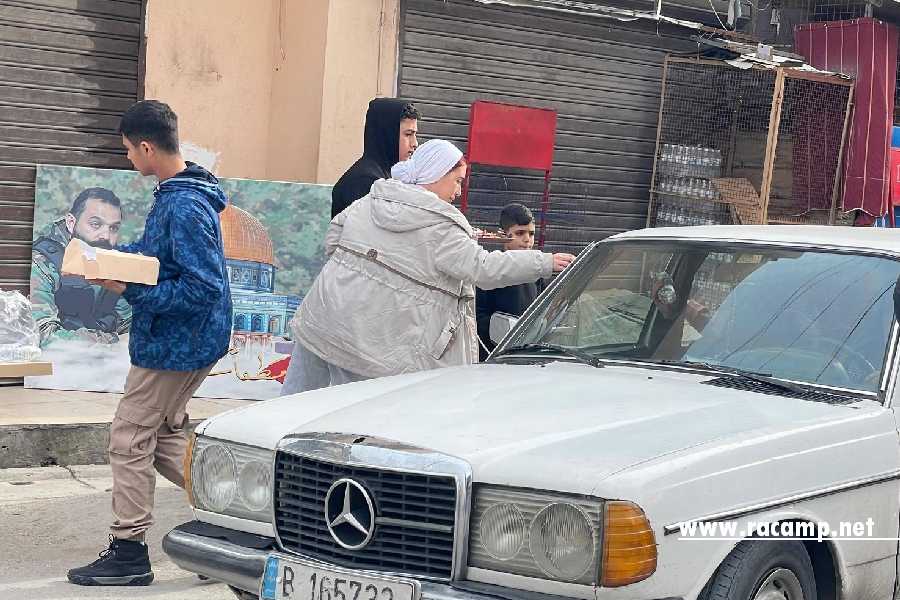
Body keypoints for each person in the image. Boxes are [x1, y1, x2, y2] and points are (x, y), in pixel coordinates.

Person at [67, 100, 232, 587]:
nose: (127, 159)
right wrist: (111, 259)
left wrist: (129, 288)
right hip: (181, 340)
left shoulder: (183, 204)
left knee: (129, 437)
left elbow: (203, 288)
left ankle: (129, 552)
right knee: (162, 437)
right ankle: (237, 521)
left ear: (145, 147)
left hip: (176, 344)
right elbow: (160, 258)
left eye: (127, 150)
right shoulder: (177, 193)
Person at [282, 139, 575, 394]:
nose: (458, 192)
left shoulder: (373, 200)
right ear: (436, 174)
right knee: (353, 422)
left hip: (322, 315)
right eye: (457, 181)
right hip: (371, 344)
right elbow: (483, 268)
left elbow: (333, 238)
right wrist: (545, 262)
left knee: (291, 409)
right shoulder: (440, 226)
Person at [31, 187, 132, 346]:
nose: (106, 236)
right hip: (59, 359)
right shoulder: (43, 261)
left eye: (113, 228)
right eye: (95, 224)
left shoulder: (110, 261)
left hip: (106, 356)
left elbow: (128, 322)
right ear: (71, 223)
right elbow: (43, 334)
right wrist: (112, 341)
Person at [475, 203, 546, 360]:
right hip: (494, 355)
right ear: (503, 234)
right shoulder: (490, 268)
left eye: (531, 234)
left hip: (527, 354)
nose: (527, 239)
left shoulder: (537, 273)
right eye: (520, 233)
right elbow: (478, 316)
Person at [330, 98, 419, 218]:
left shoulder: (383, 175)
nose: (415, 143)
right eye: (408, 134)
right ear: (388, 134)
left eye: (415, 134)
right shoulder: (364, 181)